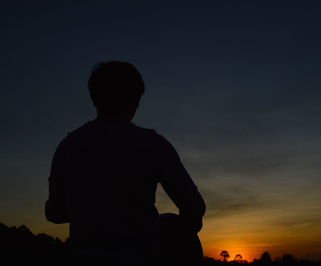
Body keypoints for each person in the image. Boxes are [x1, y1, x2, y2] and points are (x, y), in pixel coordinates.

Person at [45, 61, 206, 265]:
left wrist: (92, 210)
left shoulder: (68, 146)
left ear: (94, 98)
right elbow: (194, 208)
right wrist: (165, 228)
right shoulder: (153, 145)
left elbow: (54, 212)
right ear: (137, 100)